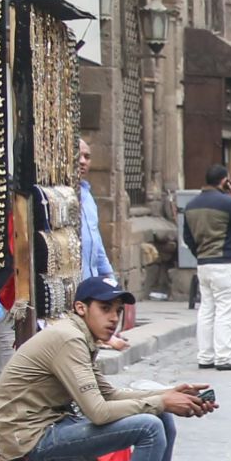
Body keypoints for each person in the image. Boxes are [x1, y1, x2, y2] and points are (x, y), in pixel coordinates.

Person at [0, 276, 216, 461]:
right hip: (30, 441)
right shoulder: (69, 339)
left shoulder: (81, 336)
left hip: (54, 426)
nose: (113, 318)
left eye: (118, 311)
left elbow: (108, 393)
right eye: (106, 308)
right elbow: (98, 411)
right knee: (149, 426)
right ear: (81, 308)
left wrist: (170, 394)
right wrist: (161, 401)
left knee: (160, 415)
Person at [182, 163, 231, 371]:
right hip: (226, 264)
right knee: (226, 311)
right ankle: (224, 357)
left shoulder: (191, 205)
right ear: (226, 181)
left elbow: (187, 237)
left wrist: (200, 253)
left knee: (207, 310)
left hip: (204, 264)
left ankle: (205, 356)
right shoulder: (229, 203)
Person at [75, 138, 127, 351]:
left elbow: (96, 245)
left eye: (87, 157)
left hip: (90, 284)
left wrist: (110, 282)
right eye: (78, 155)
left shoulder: (87, 196)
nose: (83, 161)